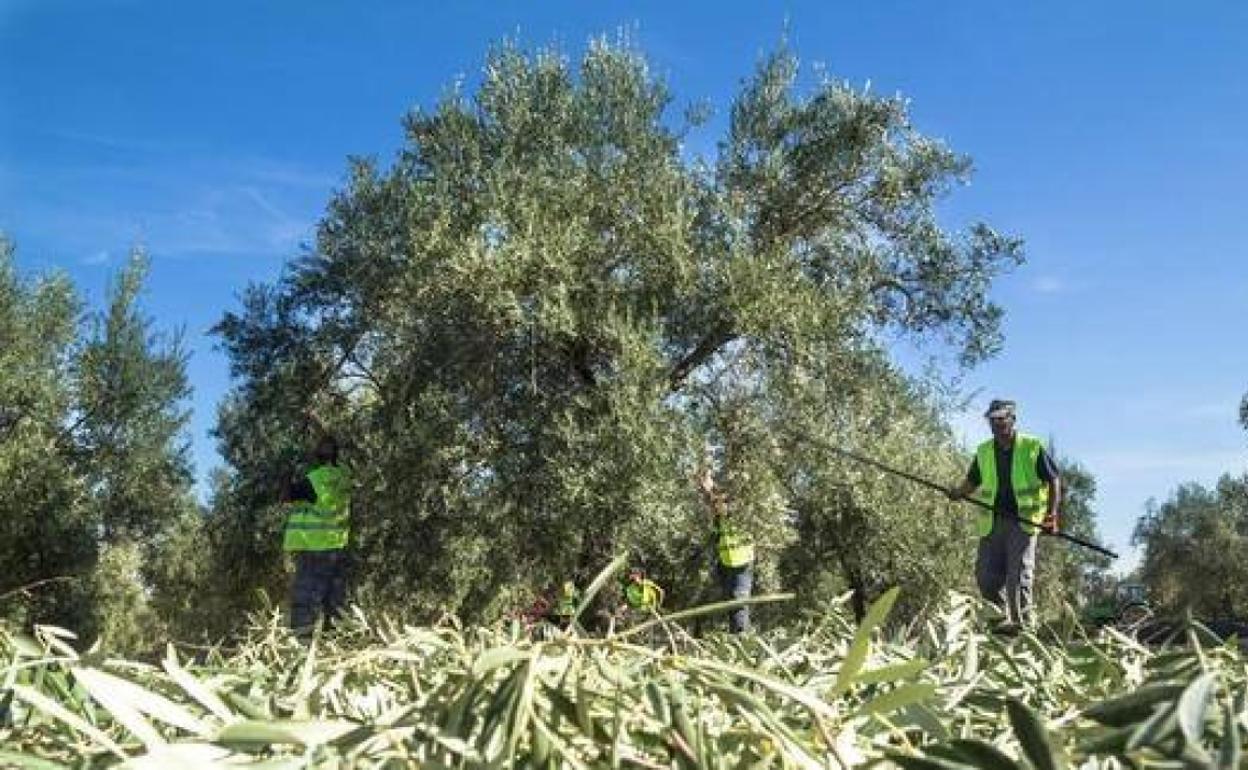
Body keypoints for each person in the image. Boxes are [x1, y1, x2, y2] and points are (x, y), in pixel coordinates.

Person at [947, 399, 1061, 633]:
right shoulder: (984, 451)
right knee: (986, 576)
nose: (997, 424)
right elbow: (973, 480)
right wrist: (958, 493)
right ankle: (999, 626)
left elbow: (1053, 479)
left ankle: (1024, 629)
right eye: (993, 420)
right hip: (993, 521)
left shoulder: (1031, 446)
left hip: (1024, 521)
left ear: (1012, 420)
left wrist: (1051, 515)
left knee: (1017, 577)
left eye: (1001, 419)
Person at [283, 434, 352, 637]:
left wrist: (285, 473)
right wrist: (314, 421)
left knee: (305, 604)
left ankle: (302, 650)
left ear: (316, 455)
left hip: (315, 551)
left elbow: (286, 497)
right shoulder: (344, 475)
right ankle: (336, 645)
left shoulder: (314, 480)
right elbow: (331, 438)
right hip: (338, 550)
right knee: (335, 604)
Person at [697, 466, 755, 634]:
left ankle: (742, 643)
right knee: (732, 606)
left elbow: (720, 505)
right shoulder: (719, 517)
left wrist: (709, 488)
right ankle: (738, 641)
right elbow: (714, 508)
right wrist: (705, 487)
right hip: (727, 564)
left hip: (742, 563)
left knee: (739, 604)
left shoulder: (739, 511)